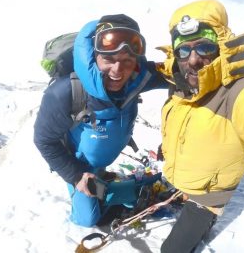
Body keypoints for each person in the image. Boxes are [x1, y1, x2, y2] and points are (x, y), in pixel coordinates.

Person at [157, 0, 244, 252]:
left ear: (222, 47)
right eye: (184, 50)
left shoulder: (239, 91)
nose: (194, 60)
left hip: (206, 197)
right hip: (182, 178)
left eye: (205, 47)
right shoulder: (180, 85)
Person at [34, 14, 167, 227]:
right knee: (87, 220)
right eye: (109, 59)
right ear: (94, 57)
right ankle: (119, 187)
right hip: (79, 164)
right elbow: (43, 140)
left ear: (135, 62)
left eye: (126, 61)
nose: (117, 71)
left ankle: (109, 180)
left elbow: (178, 74)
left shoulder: (137, 77)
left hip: (102, 156)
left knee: (102, 186)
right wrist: (76, 175)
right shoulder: (65, 92)